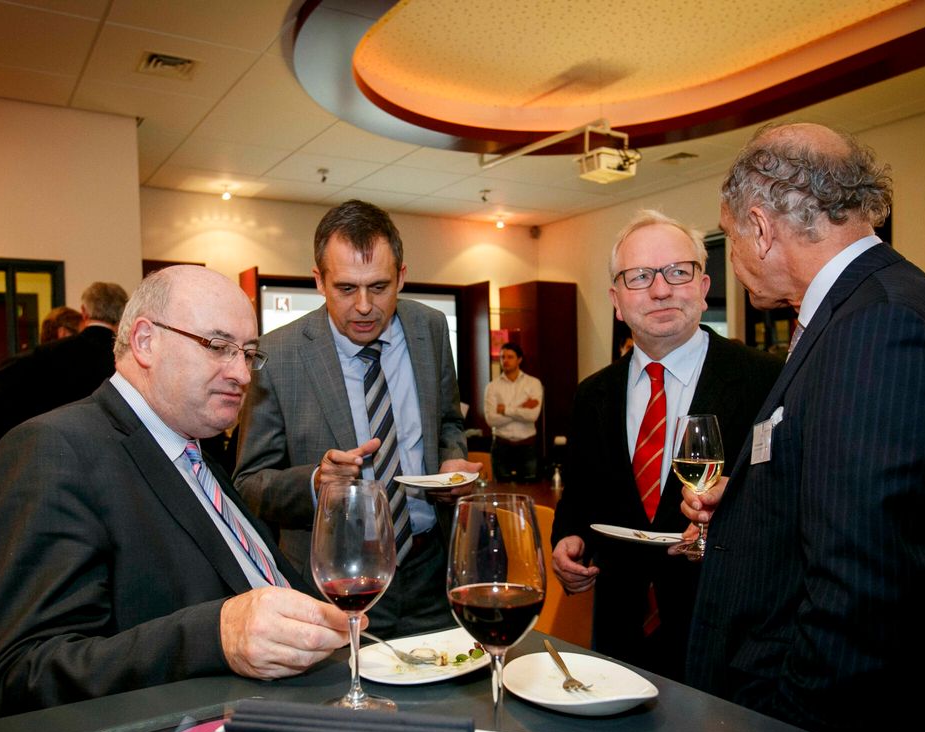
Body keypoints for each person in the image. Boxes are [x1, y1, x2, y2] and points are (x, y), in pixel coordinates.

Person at [682, 123, 925, 732]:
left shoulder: (879, 324)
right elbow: (843, 492)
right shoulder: (865, 308)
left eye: (731, 236)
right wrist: (748, 502)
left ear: (761, 227)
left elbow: (863, 592)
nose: (732, 257)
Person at [0, 266, 352, 717]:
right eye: (218, 347)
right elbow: (17, 676)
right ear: (145, 341)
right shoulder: (53, 449)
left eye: (248, 353)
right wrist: (216, 635)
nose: (242, 374)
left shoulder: (195, 452)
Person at [550, 210, 781, 680]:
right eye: (639, 277)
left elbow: (791, 499)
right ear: (617, 301)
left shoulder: (766, 380)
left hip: (727, 636)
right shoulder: (592, 393)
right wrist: (565, 542)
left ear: (702, 285)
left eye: (678, 272)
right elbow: (579, 498)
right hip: (619, 636)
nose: (661, 290)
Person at [234, 200, 480, 638]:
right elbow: (250, 483)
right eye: (346, 288)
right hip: (337, 580)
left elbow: (447, 424)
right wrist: (315, 483)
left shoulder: (431, 329)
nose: (365, 306)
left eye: (380, 287)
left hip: (431, 570)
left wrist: (452, 463)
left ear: (402, 275)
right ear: (319, 281)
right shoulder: (279, 355)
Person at [0, 281, 129, 460]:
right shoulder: (131, 361)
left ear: (84, 312)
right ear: (125, 315)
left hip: (49, 459)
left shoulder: (39, 358)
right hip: (113, 462)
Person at [484, 342, 543, 482]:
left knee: (531, 492)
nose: (505, 360)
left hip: (527, 446)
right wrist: (522, 408)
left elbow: (533, 415)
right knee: (501, 492)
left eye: (510, 357)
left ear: (519, 359)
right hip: (501, 446)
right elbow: (491, 420)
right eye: (502, 357)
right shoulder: (492, 387)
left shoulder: (533, 383)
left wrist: (505, 410)